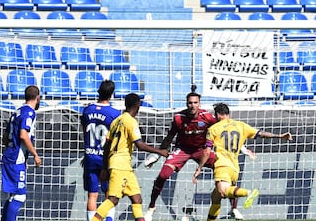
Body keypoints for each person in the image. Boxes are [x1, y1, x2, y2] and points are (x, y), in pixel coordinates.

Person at [193, 103, 293, 221]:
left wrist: (199, 168)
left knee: (223, 191)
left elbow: (207, 152)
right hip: (235, 168)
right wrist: (280, 136)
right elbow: (261, 134)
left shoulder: (213, 129)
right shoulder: (241, 125)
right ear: (228, 114)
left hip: (222, 165)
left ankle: (248, 193)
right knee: (215, 198)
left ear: (218, 115)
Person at [92, 93, 169, 221]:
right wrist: (160, 151)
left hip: (123, 166)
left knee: (136, 198)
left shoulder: (116, 121)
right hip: (120, 165)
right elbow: (139, 144)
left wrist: (105, 168)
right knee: (113, 199)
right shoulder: (131, 122)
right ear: (137, 105)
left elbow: (107, 146)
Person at [144, 90, 217, 221]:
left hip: (201, 150)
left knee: (222, 167)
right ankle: (151, 208)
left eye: (195, 103)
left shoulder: (207, 117)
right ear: (186, 103)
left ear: (199, 104)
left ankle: (234, 208)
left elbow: (221, 129)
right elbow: (170, 136)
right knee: (163, 175)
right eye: (190, 103)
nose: (193, 105)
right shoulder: (179, 118)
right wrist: (158, 154)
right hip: (182, 150)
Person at [81, 80, 121, 221]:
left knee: (92, 195)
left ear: (98, 92)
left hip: (90, 156)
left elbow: (84, 128)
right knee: (110, 194)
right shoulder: (115, 114)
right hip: (106, 158)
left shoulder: (87, 110)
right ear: (112, 94)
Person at [1, 85, 42, 221]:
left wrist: (22, 158)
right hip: (15, 159)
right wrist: (35, 155)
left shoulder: (16, 112)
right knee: (19, 196)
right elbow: (23, 135)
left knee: (13, 196)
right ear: (38, 98)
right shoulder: (29, 113)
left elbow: (5, 137)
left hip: (10, 156)